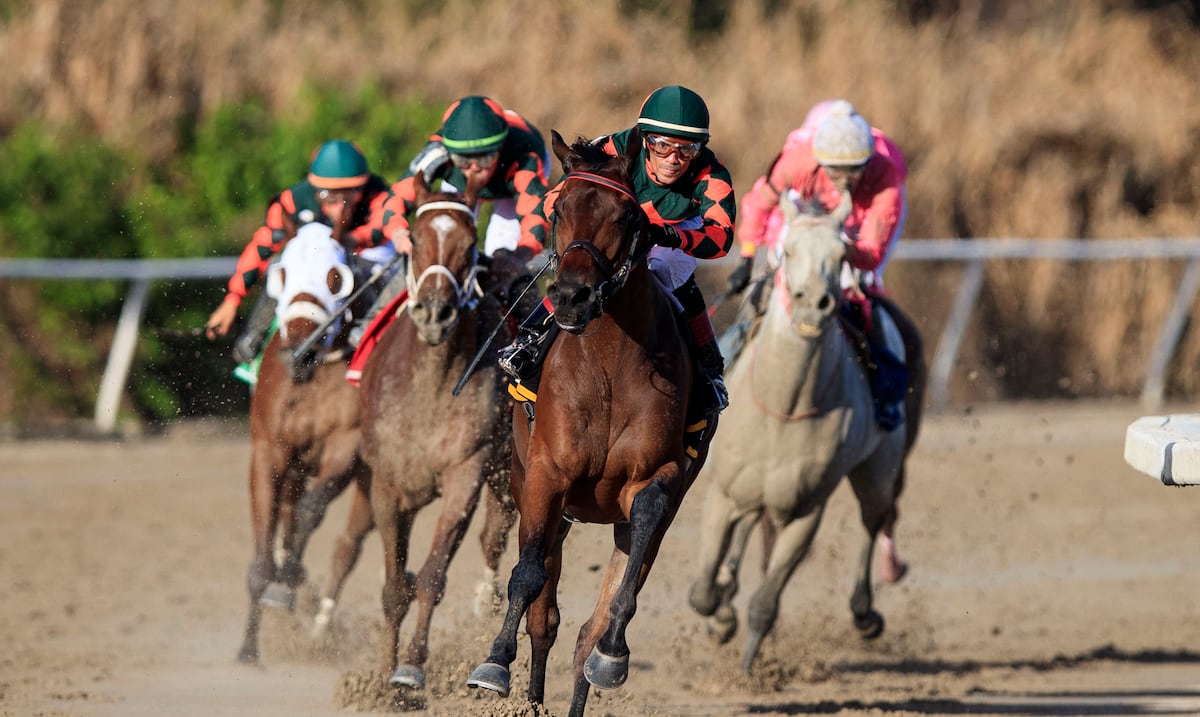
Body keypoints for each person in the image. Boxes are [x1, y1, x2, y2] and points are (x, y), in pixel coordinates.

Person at [498, 85, 737, 416]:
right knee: (582, 264)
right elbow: (555, 198)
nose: (673, 159)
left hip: (673, 232)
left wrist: (671, 236)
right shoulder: (611, 147)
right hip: (615, 224)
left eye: (687, 150)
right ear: (646, 139)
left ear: (701, 148)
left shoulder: (713, 173)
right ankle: (529, 339)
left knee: (666, 268)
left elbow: (721, 238)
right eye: (663, 145)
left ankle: (709, 367)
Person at [731, 99, 912, 427]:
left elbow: (871, 253)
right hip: (809, 220)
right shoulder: (798, 161)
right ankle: (724, 367)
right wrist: (747, 255)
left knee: (862, 299)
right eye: (835, 170)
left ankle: (884, 393)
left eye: (852, 171)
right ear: (819, 160)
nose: (844, 179)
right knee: (762, 293)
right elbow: (759, 203)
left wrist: (839, 249)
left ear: (867, 162)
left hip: (856, 230)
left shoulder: (885, 180)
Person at [355, 96, 553, 337]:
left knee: (501, 251)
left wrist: (517, 257)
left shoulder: (525, 157)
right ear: (449, 153)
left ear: (500, 149)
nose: (473, 169)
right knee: (436, 240)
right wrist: (398, 232)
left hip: (509, 188)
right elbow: (397, 197)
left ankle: (533, 334)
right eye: (463, 161)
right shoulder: (437, 151)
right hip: (459, 186)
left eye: (484, 159)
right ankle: (370, 324)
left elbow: (535, 221)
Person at [205, 140, 395, 362]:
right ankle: (253, 340)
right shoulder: (291, 201)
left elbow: (380, 228)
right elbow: (260, 248)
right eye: (329, 196)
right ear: (315, 188)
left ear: (363, 186)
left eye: (349, 194)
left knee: (369, 272)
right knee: (283, 271)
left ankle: (381, 341)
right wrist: (233, 299)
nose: (340, 206)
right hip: (316, 263)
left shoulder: (380, 193)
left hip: (365, 254)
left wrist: (349, 239)